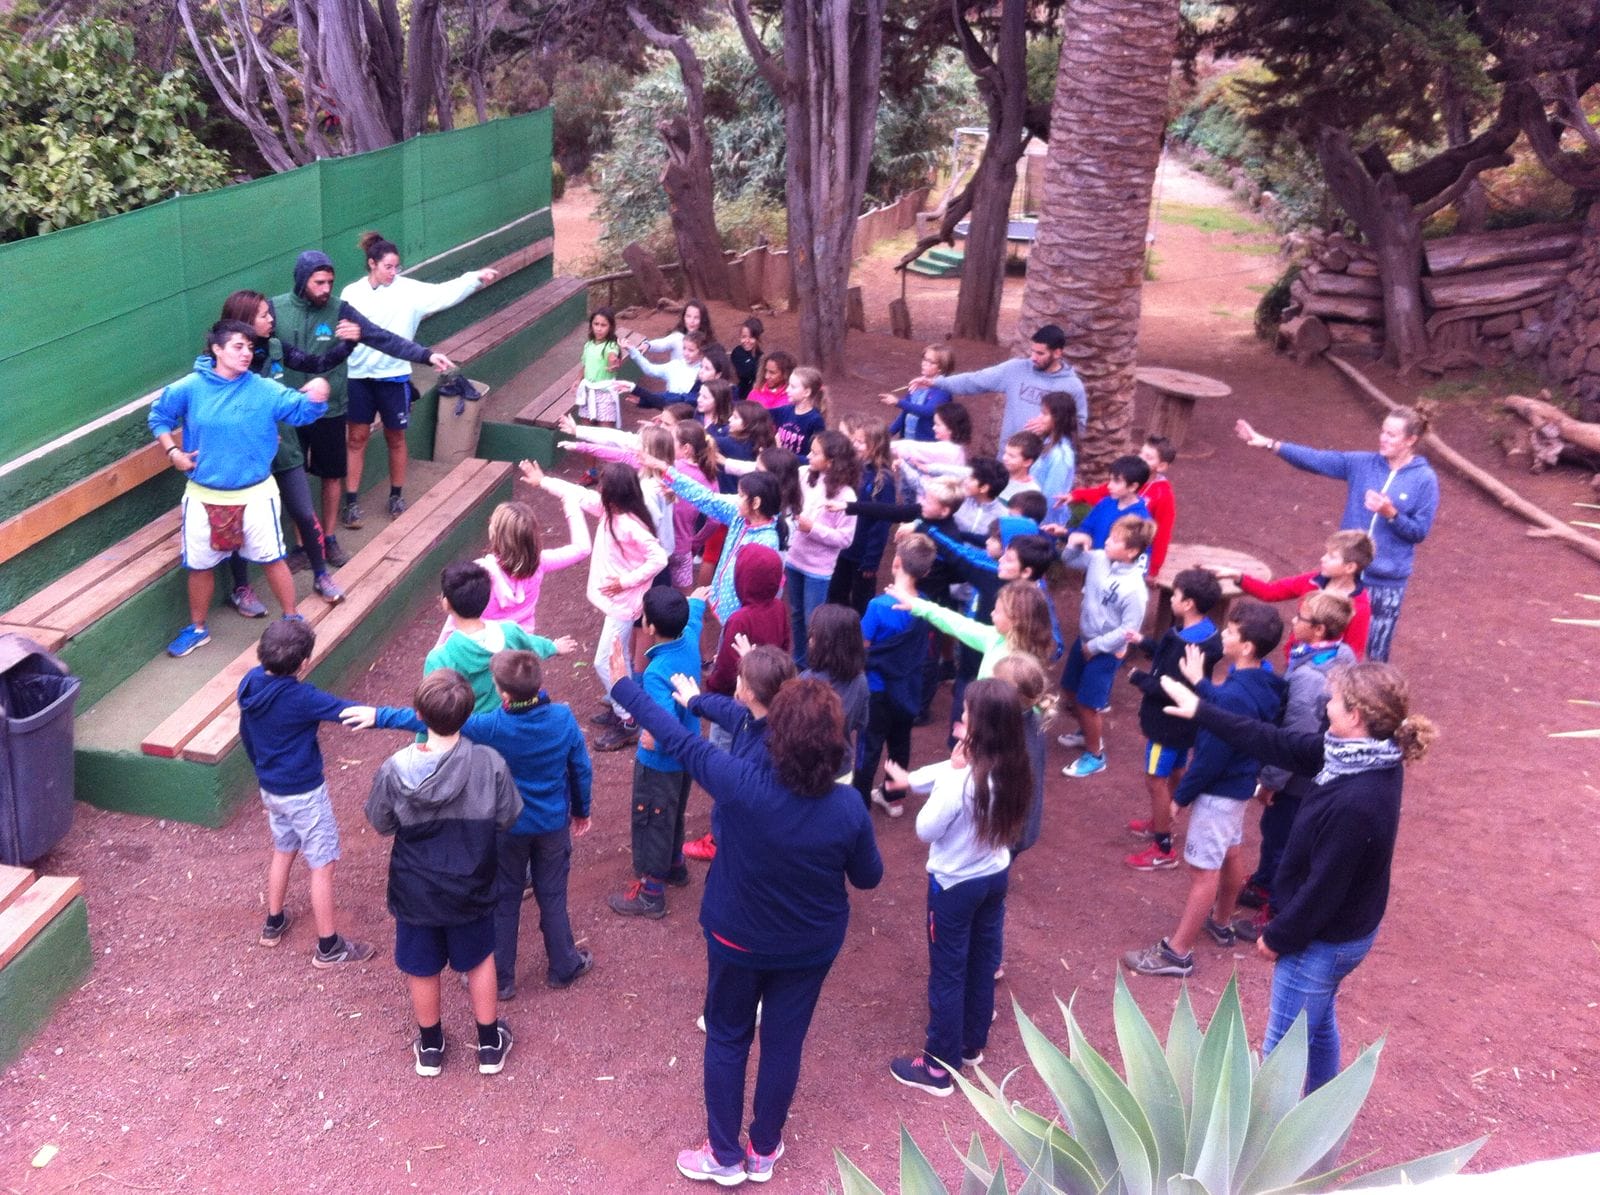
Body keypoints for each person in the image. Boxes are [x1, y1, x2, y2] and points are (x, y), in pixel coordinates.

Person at [606, 666, 882, 1186]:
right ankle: (764, 1148)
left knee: (728, 1036)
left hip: (737, 936)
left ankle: (725, 1154)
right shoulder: (847, 806)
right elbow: (868, 877)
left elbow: (675, 739)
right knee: (784, 1041)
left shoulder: (741, 784)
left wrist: (624, 686)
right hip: (809, 945)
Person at [1156, 660, 1435, 1091]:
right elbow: (1273, 741)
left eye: (1334, 701)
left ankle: (1275, 1129)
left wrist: (1279, 936)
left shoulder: (1357, 800)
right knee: (1317, 1027)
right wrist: (1201, 710)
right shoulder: (1362, 756)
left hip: (1321, 941)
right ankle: (1325, 1108)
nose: (1326, 706)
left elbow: (1324, 888)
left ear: (1355, 716)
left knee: (1279, 1054)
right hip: (1347, 930)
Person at [348, 650, 594, 1000]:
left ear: (503, 692)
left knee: (505, 900)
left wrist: (379, 716)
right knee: (553, 894)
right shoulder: (563, 717)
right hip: (552, 825)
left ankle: (502, 979)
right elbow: (580, 768)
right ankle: (564, 965)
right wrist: (581, 810)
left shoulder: (492, 726)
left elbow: (433, 720)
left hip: (509, 829)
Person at [363, 669, 520, 1077]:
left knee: (422, 964)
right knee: (479, 960)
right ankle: (489, 1045)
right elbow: (508, 816)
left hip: (416, 889)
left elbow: (381, 822)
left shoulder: (395, 768)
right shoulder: (490, 763)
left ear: (418, 714)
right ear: (468, 714)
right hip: (472, 885)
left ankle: (430, 1047)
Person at [1123, 599, 1287, 979]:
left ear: (1245, 646)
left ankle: (1178, 953)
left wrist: (1179, 798)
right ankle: (1221, 921)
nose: (1222, 634)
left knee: (1203, 871)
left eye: (1230, 631)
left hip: (1218, 794)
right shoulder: (1263, 680)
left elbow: (1211, 756)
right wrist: (1200, 683)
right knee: (1230, 851)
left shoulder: (1233, 694)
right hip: (1239, 787)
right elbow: (1231, 708)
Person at [883, 677, 1031, 1095]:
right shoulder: (1014, 764)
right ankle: (970, 1044)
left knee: (948, 972)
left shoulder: (962, 780)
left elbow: (925, 828)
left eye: (966, 714)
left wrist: (943, 777)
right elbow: (953, 767)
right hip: (993, 876)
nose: (959, 718)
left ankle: (937, 1067)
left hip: (954, 886)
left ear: (980, 726)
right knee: (982, 961)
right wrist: (913, 779)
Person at [149, 319, 331, 658]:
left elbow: (302, 411)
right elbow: (159, 417)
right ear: (217, 349)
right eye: (238, 346)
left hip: (256, 494)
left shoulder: (264, 389)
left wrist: (319, 392)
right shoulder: (189, 388)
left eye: (250, 347)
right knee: (199, 566)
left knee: (272, 559)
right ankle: (197, 629)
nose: (247, 352)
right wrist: (173, 452)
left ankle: (292, 620)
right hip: (203, 496)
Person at [272, 250, 456, 565]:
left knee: (331, 476)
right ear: (302, 280)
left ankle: (329, 539)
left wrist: (426, 355)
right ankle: (303, 546)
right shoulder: (275, 310)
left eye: (330, 282)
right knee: (295, 476)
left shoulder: (340, 310)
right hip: (288, 412)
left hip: (330, 409)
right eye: (319, 282)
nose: (326, 289)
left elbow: (383, 338)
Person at [1235, 404, 1439, 661]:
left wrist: (1391, 514)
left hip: (1384, 583)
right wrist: (1268, 443)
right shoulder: (1362, 463)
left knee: (1372, 654)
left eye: (1391, 434)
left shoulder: (1424, 479)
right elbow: (1317, 459)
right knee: (1322, 641)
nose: (1383, 438)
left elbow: (1419, 531)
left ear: (1411, 440)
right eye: (1383, 431)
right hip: (1342, 576)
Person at [237, 619, 376, 967]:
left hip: (271, 789)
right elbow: (345, 712)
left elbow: (246, 735)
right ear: (303, 663)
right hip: (304, 793)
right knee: (322, 864)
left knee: (284, 849)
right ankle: (329, 947)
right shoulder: (302, 696)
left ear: (262, 653)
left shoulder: (250, 682)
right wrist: (388, 716)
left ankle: (273, 922)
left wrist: (262, 773)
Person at [216, 289, 360, 611]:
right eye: (264, 315)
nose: (271, 319)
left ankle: (321, 575)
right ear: (244, 321)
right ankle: (241, 588)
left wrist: (348, 345)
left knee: (305, 514)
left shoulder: (276, 348)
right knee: (239, 524)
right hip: (245, 458)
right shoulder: (220, 367)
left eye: (270, 313)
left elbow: (317, 363)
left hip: (286, 450)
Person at [340, 231, 496, 524]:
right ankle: (350, 503)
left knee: (395, 437)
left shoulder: (408, 290)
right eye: (388, 267)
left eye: (396, 267)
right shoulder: (351, 294)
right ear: (372, 263)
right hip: (358, 377)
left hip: (394, 377)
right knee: (356, 438)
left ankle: (396, 496)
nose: (393, 272)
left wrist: (473, 278)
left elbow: (443, 293)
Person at [1234, 592, 1357, 940]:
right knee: (1281, 834)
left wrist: (1271, 781)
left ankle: (1277, 910)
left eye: (1301, 618)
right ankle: (1264, 883)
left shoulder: (1309, 678)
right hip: (1318, 770)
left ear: (1318, 630)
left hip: (1297, 779)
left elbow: (1294, 738)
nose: (1293, 621)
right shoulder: (1342, 654)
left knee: (1283, 839)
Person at [524, 460, 668, 748]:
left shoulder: (628, 524)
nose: (599, 490)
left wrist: (625, 581)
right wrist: (543, 481)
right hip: (618, 603)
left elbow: (660, 558)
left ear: (614, 494)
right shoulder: (610, 511)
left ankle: (628, 718)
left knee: (604, 661)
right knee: (618, 658)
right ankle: (623, 707)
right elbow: (577, 493)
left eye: (604, 487)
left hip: (622, 605)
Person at [607, 586, 704, 919]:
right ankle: (675, 866)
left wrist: (655, 741)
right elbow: (696, 614)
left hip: (659, 763)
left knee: (652, 819)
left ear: (649, 627)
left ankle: (652, 895)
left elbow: (662, 722)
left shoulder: (655, 672)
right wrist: (696, 599)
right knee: (672, 812)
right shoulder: (689, 638)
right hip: (687, 755)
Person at [1123, 567, 1226, 871]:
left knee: (1155, 779)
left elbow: (1170, 686)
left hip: (1164, 724)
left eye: (1176, 595)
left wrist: (1137, 677)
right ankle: (1163, 819)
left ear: (1189, 603)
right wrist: (1144, 642)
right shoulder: (1204, 634)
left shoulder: (1184, 641)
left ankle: (1162, 846)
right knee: (1176, 768)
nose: (1171, 599)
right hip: (1186, 723)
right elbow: (1171, 661)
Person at [1057, 516, 1156, 778]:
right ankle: (1086, 732)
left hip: (1106, 651)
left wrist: (1096, 646)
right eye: (1110, 536)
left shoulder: (1135, 590)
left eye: (1115, 540)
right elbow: (1069, 560)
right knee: (1069, 689)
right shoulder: (1099, 558)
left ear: (1132, 551)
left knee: (1088, 704)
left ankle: (1096, 756)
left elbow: (1128, 630)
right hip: (1085, 640)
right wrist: (1073, 542)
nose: (1107, 542)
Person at [854, 534, 938, 816]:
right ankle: (893, 798)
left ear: (896, 562)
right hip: (909, 688)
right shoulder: (925, 606)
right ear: (925, 572)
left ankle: (859, 803)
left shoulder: (878, 606)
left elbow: (864, 646)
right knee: (901, 742)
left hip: (877, 689)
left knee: (869, 746)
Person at [424, 562, 574, 715]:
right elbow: (531, 644)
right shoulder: (509, 631)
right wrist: (553, 647)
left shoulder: (439, 658)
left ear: (446, 603)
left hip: (471, 726)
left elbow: (432, 705)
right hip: (510, 717)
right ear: (487, 597)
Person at [436, 498, 590, 646]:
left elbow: (457, 615)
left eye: (492, 523)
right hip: (520, 645)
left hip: (485, 647)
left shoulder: (480, 573)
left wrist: (438, 652)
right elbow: (582, 549)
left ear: (495, 535)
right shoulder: (539, 563)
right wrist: (572, 505)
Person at [1218, 530, 1373, 659]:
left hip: (1322, 673)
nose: (1323, 559)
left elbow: (1353, 653)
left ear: (1350, 567)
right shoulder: (1313, 580)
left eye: (1332, 557)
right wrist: (1238, 577)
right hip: (1295, 657)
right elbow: (1271, 591)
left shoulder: (1360, 607)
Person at [937, 324, 1088, 449]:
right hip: (1009, 459)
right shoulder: (1016, 369)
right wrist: (938, 382)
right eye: (1032, 351)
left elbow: (1079, 426)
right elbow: (974, 380)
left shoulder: (1072, 386)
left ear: (1057, 353)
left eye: (1040, 353)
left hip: (1043, 465)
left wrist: (1052, 426)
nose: (1033, 358)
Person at [787, 431, 860, 666]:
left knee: (814, 622)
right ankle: (800, 662)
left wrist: (812, 529)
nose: (808, 456)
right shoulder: (803, 474)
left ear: (831, 461)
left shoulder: (846, 495)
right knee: (796, 614)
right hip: (794, 559)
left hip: (818, 569)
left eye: (815, 453)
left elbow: (845, 539)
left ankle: (816, 666)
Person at [1067, 434, 1178, 575]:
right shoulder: (1125, 480)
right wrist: (1076, 495)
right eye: (1141, 453)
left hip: (1127, 557)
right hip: (1103, 550)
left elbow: (1162, 533)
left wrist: (1153, 568)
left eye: (1148, 457)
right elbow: (1102, 493)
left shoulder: (1163, 495)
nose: (1141, 458)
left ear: (1161, 466)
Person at [829, 416, 897, 612]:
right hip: (843, 547)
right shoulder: (855, 469)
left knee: (861, 602)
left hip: (862, 555)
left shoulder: (883, 480)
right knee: (835, 595)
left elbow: (882, 523)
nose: (855, 445)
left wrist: (872, 560)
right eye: (855, 440)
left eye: (861, 442)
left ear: (876, 446)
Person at [800, 603, 870, 783]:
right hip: (841, 769)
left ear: (825, 643)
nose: (809, 639)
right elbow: (861, 722)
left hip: (806, 770)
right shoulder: (861, 681)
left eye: (814, 634)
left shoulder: (805, 680)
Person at [1047, 454, 1151, 551]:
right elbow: (1085, 529)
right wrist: (1064, 532)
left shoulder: (1140, 519)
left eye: (1116, 481)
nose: (1109, 486)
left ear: (1133, 486)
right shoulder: (1105, 503)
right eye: (1110, 480)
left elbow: (1141, 553)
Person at [1024, 391, 1079, 523]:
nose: (1039, 417)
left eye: (1044, 414)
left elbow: (1051, 497)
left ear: (1058, 418)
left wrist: (1038, 525)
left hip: (1043, 521)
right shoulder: (1046, 443)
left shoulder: (1060, 455)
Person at [880, 344, 954, 441]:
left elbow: (928, 411)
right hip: (907, 441)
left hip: (928, 445)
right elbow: (905, 412)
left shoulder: (943, 390)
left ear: (941, 367)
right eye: (924, 359)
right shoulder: (917, 384)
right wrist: (887, 436)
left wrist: (898, 402)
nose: (924, 364)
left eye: (930, 362)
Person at [574, 306, 628, 426]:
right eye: (596, 324)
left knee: (605, 430)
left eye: (603, 325)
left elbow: (612, 356)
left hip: (605, 393)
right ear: (591, 325)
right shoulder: (588, 345)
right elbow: (585, 365)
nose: (599, 329)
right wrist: (578, 380)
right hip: (588, 391)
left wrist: (613, 362)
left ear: (610, 327)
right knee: (586, 428)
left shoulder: (611, 345)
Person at [772, 365, 828, 457]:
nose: (787, 390)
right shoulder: (785, 411)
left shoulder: (815, 420)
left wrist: (783, 453)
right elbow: (760, 413)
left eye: (793, 387)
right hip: (780, 461)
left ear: (807, 392)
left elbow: (815, 456)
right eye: (788, 385)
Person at [998, 431, 1044, 501]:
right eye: (1005, 453)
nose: (1005, 458)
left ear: (1027, 462)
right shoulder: (996, 477)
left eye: (1012, 456)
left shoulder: (1030, 492)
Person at [731, 318, 763, 402]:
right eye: (743, 337)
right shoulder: (738, 352)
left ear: (758, 338)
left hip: (754, 396)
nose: (747, 341)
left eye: (751, 337)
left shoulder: (761, 356)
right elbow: (744, 373)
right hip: (739, 394)